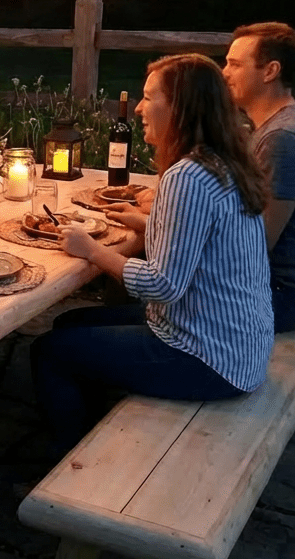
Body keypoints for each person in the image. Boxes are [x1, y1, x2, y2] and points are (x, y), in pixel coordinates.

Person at [31, 54, 273, 458]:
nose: (140, 109)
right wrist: (146, 223)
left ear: (179, 107)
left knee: (49, 352)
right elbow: (203, 243)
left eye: (149, 98)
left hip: (209, 357)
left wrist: (89, 249)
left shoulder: (186, 177)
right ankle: (92, 427)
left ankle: (71, 462)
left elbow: (163, 284)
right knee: (70, 322)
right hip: (238, 341)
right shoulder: (220, 163)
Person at [223, 22, 295, 332]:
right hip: (281, 287)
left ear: (270, 71)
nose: (223, 73)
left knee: (161, 301)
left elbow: (255, 243)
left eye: (234, 64)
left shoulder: (283, 137)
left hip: (285, 295)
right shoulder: (281, 124)